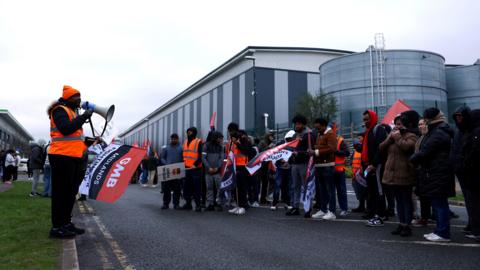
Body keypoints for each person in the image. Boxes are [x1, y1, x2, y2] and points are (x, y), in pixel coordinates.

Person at [47, 85, 95, 239]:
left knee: (70, 193)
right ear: (68, 98)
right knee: (61, 193)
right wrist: (83, 117)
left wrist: (91, 141)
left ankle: (66, 223)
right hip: (61, 157)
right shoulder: (59, 110)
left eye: (79, 96)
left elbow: (75, 139)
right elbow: (65, 129)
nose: (79, 99)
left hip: (73, 157)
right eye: (76, 96)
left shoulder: (73, 112)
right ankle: (57, 227)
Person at [410, 108, 455, 242]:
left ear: (430, 119)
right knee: (437, 203)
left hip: (438, 173)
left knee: (440, 204)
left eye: (426, 119)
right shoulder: (439, 130)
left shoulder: (438, 133)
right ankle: (439, 230)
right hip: (436, 172)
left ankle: (443, 233)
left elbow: (425, 150)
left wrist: (413, 158)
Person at [379, 111, 419, 237]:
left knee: (406, 200)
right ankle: (401, 224)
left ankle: (407, 226)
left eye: (400, 124)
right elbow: (381, 148)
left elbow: (407, 147)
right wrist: (390, 137)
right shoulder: (393, 135)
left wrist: (397, 137)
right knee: (398, 201)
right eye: (396, 124)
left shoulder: (411, 135)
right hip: (392, 173)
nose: (397, 126)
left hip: (405, 173)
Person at [361, 110, 389, 227]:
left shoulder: (379, 130)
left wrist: (374, 164)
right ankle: (374, 213)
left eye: (367, 119)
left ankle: (380, 216)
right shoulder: (368, 131)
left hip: (376, 166)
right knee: (372, 191)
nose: (365, 122)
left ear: (373, 118)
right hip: (369, 166)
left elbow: (381, 149)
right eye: (364, 119)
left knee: (379, 191)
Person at [450, 105, 473, 234]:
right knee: (468, 199)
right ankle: (472, 223)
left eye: (460, 116)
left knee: (473, 200)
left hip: (468, 170)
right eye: (456, 117)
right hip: (460, 170)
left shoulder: (470, 131)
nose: (458, 119)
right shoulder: (458, 131)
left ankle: (474, 224)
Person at [286, 115, 315, 217]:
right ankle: (295, 207)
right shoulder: (295, 135)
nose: (296, 125)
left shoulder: (309, 135)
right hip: (295, 164)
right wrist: (289, 160)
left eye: (298, 124)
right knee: (295, 187)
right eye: (295, 124)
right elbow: (292, 149)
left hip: (305, 164)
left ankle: (308, 209)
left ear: (303, 124)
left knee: (306, 187)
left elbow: (310, 151)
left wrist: (299, 153)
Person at [311, 118, 337, 220]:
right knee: (321, 190)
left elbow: (332, 148)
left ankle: (332, 212)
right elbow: (319, 147)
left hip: (328, 165)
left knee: (330, 189)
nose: (317, 130)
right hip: (319, 166)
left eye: (319, 128)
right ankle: (323, 209)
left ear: (323, 126)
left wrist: (316, 151)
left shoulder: (330, 134)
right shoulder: (319, 134)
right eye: (316, 128)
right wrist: (314, 150)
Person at [462, 109, 480, 242]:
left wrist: (465, 163)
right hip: (473, 173)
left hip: (474, 174)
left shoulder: (476, 132)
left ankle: (477, 231)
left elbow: (473, 153)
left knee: (475, 203)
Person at [271, 130, 295, 211]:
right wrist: (281, 160)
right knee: (277, 185)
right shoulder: (280, 144)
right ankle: (274, 203)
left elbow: (294, 155)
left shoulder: (294, 144)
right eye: (289, 138)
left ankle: (287, 203)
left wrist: (289, 162)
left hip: (289, 168)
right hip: (280, 168)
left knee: (288, 186)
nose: (290, 140)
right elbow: (275, 153)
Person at [181, 127, 203, 212]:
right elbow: (184, 155)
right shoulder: (185, 142)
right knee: (186, 187)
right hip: (186, 168)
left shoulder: (198, 141)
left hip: (195, 169)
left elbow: (200, 156)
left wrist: (195, 164)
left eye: (190, 132)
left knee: (196, 188)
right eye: (188, 132)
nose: (188, 133)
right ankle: (188, 204)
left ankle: (198, 205)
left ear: (194, 133)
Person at [202, 131, 225, 211]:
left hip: (217, 172)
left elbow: (221, 158)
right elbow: (203, 158)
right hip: (208, 171)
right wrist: (209, 168)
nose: (221, 140)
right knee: (209, 188)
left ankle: (219, 203)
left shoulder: (221, 147)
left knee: (219, 188)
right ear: (215, 138)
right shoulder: (206, 146)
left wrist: (217, 167)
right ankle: (210, 204)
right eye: (220, 138)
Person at [160, 133, 184, 209]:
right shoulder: (166, 148)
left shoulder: (181, 148)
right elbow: (162, 158)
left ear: (177, 139)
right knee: (166, 188)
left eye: (175, 139)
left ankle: (176, 204)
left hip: (178, 170)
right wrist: (166, 163)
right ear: (170, 139)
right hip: (168, 170)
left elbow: (183, 158)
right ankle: (165, 204)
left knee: (177, 188)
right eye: (172, 139)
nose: (174, 140)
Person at [333, 131, 350, 217]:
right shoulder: (326, 140)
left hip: (339, 170)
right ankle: (331, 209)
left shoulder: (340, 141)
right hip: (329, 170)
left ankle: (344, 209)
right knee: (331, 191)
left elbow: (347, 152)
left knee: (341, 191)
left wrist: (336, 151)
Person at [258, 132, 275, 204]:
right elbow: (260, 152)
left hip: (268, 164)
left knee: (266, 183)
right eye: (271, 136)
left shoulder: (269, 143)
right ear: (268, 136)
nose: (272, 138)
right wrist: (269, 147)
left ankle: (264, 198)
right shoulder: (263, 142)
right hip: (263, 165)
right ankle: (262, 199)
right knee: (264, 183)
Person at [351, 137, 366, 213]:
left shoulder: (364, 151)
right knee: (359, 192)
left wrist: (365, 174)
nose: (356, 147)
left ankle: (366, 207)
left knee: (364, 192)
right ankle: (361, 206)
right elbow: (352, 163)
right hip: (355, 176)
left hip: (362, 175)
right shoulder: (355, 152)